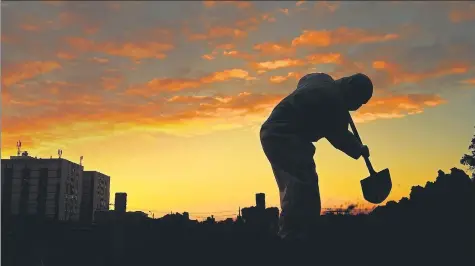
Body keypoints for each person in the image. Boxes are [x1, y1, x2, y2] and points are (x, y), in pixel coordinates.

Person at [260, 72, 373, 241]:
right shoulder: (332, 101)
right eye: (358, 100)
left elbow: (304, 79)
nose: (357, 106)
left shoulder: (323, 80)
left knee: (295, 183)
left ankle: (296, 231)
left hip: (274, 133)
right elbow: (338, 135)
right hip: (284, 135)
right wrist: (359, 149)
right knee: (303, 184)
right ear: (349, 85)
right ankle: (294, 235)